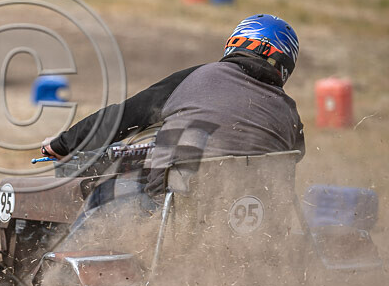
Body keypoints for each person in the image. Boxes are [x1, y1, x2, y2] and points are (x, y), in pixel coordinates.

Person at [41, 14, 305, 240]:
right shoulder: (289, 110)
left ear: (236, 43)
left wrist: (63, 143)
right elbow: (296, 154)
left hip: (178, 214)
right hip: (253, 223)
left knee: (106, 193)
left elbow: (122, 117)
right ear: (285, 66)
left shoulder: (197, 77)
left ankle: (56, 275)